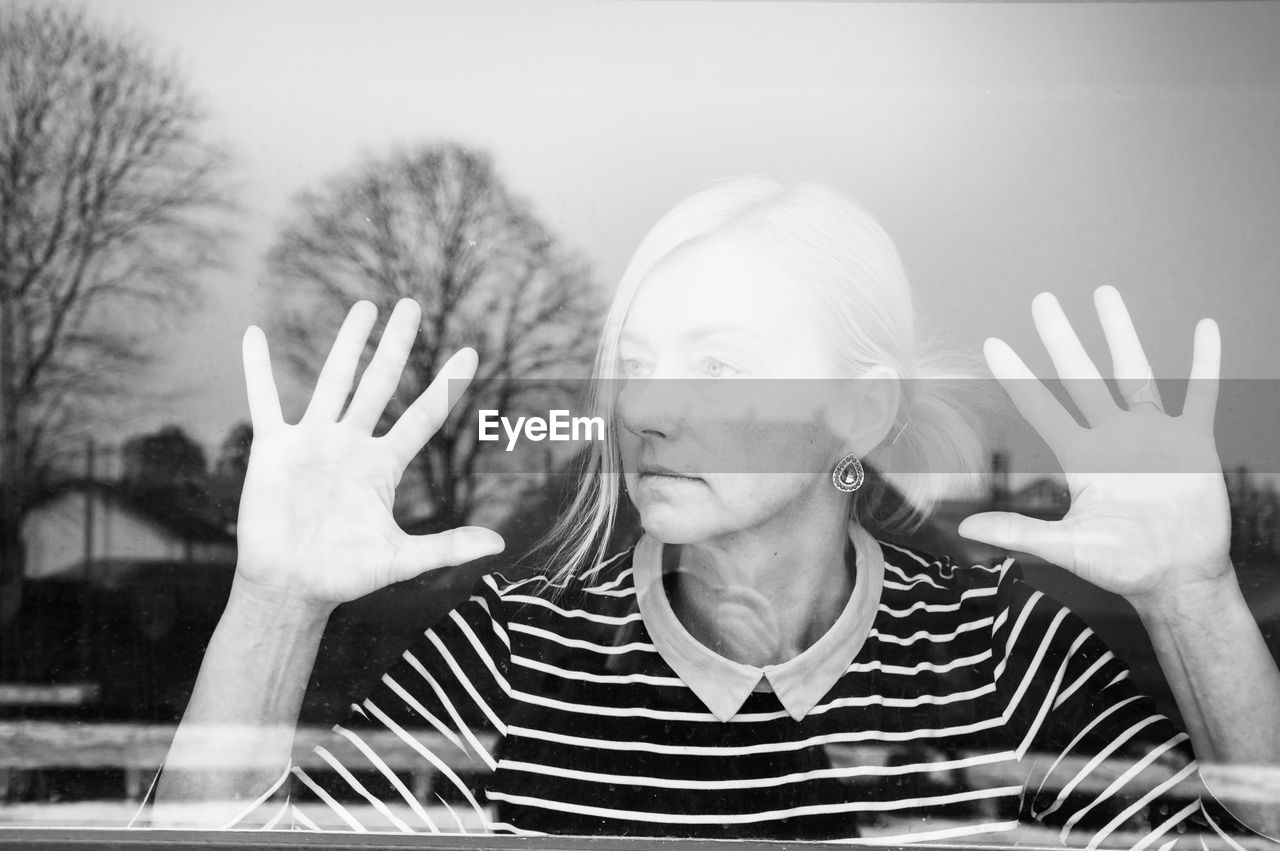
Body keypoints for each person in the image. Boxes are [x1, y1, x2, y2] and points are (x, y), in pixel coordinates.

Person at [152, 179, 1280, 844]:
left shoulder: (998, 655)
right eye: (635, 364)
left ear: (853, 409)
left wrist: (1195, 602)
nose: (647, 406)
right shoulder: (512, 655)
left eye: (718, 362)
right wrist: (274, 601)